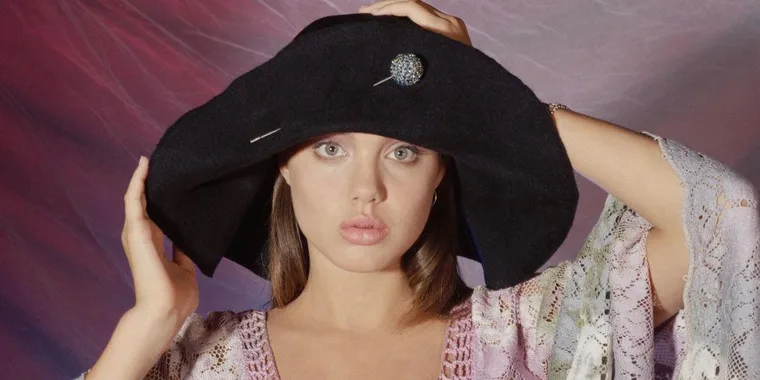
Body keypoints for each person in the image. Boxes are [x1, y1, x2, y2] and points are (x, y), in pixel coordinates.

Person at [76, 1, 759, 379]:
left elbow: (723, 218)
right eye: (331, 149)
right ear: (282, 165)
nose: (365, 189)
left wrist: (491, 104)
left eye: (404, 151)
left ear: (441, 174)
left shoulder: (537, 335)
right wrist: (147, 329)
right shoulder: (190, 366)